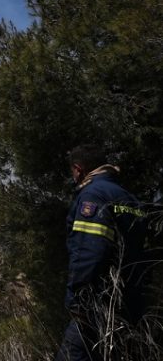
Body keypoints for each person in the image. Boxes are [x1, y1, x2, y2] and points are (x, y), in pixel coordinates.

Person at [56, 144, 149, 361]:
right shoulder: (130, 199)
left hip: (95, 303)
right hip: (129, 302)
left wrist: (76, 299)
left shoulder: (92, 195)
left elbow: (89, 252)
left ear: (78, 169)